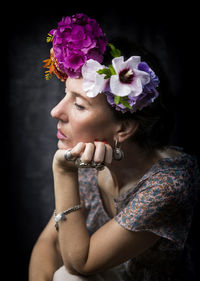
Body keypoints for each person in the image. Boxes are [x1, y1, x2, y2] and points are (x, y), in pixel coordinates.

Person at [28, 14, 200, 281]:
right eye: (65, 95)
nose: (55, 112)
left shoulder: (169, 183)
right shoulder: (91, 159)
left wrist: (63, 172)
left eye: (79, 104)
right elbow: (47, 246)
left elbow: (80, 264)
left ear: (123, 128)